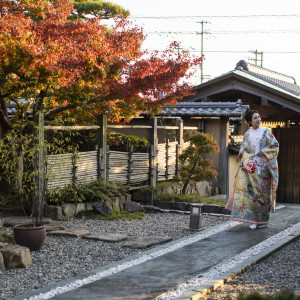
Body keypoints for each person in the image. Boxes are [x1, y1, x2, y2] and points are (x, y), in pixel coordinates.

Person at [226, 110, 279, 229]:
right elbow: (243, 150)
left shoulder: (266, 132)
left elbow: (275, 146)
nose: (258, 120)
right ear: (249, 121)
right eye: (255, 118)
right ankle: (254, 220)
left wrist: (264, 151)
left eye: (259, 117)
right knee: (251, 194)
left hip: (264, 168)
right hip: (251, 169)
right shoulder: (247, 134)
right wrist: (245, 161)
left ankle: (263, 220)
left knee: (263, 195)